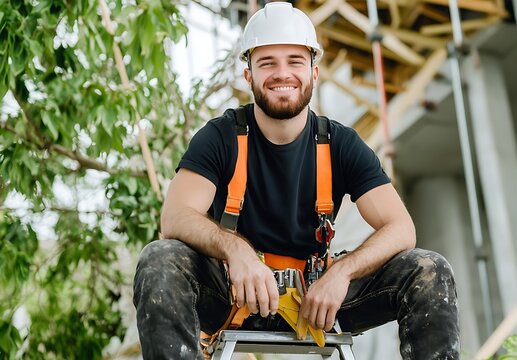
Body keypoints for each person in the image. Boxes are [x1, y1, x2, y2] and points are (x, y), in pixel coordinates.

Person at [133, 2, 459, 359]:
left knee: (428, 271)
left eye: (295, 61)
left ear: (314, 73)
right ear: (249, 76)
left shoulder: (340, 144)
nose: (281, 73)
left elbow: (400, 228)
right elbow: (174, 216)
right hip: (233, 291)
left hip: (318, 297)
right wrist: (236, 251)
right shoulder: (221, 137)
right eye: (267, 62)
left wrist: (342, 275)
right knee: (160, 259)